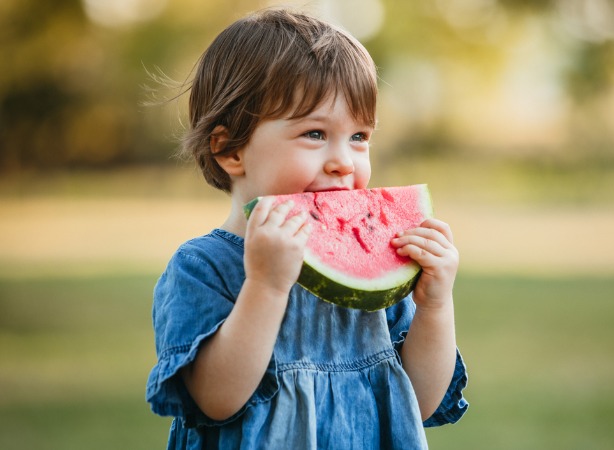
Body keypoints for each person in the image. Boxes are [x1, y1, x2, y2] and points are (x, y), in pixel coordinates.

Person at [145, 7, 468, 450]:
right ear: (229, 148)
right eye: (315, 133)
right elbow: (216, 400)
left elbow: (421, 401)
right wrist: (266, 285)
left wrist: (435, 307)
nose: (344, 161)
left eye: (359, 137)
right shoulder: (203, 267)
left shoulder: (378, 273)